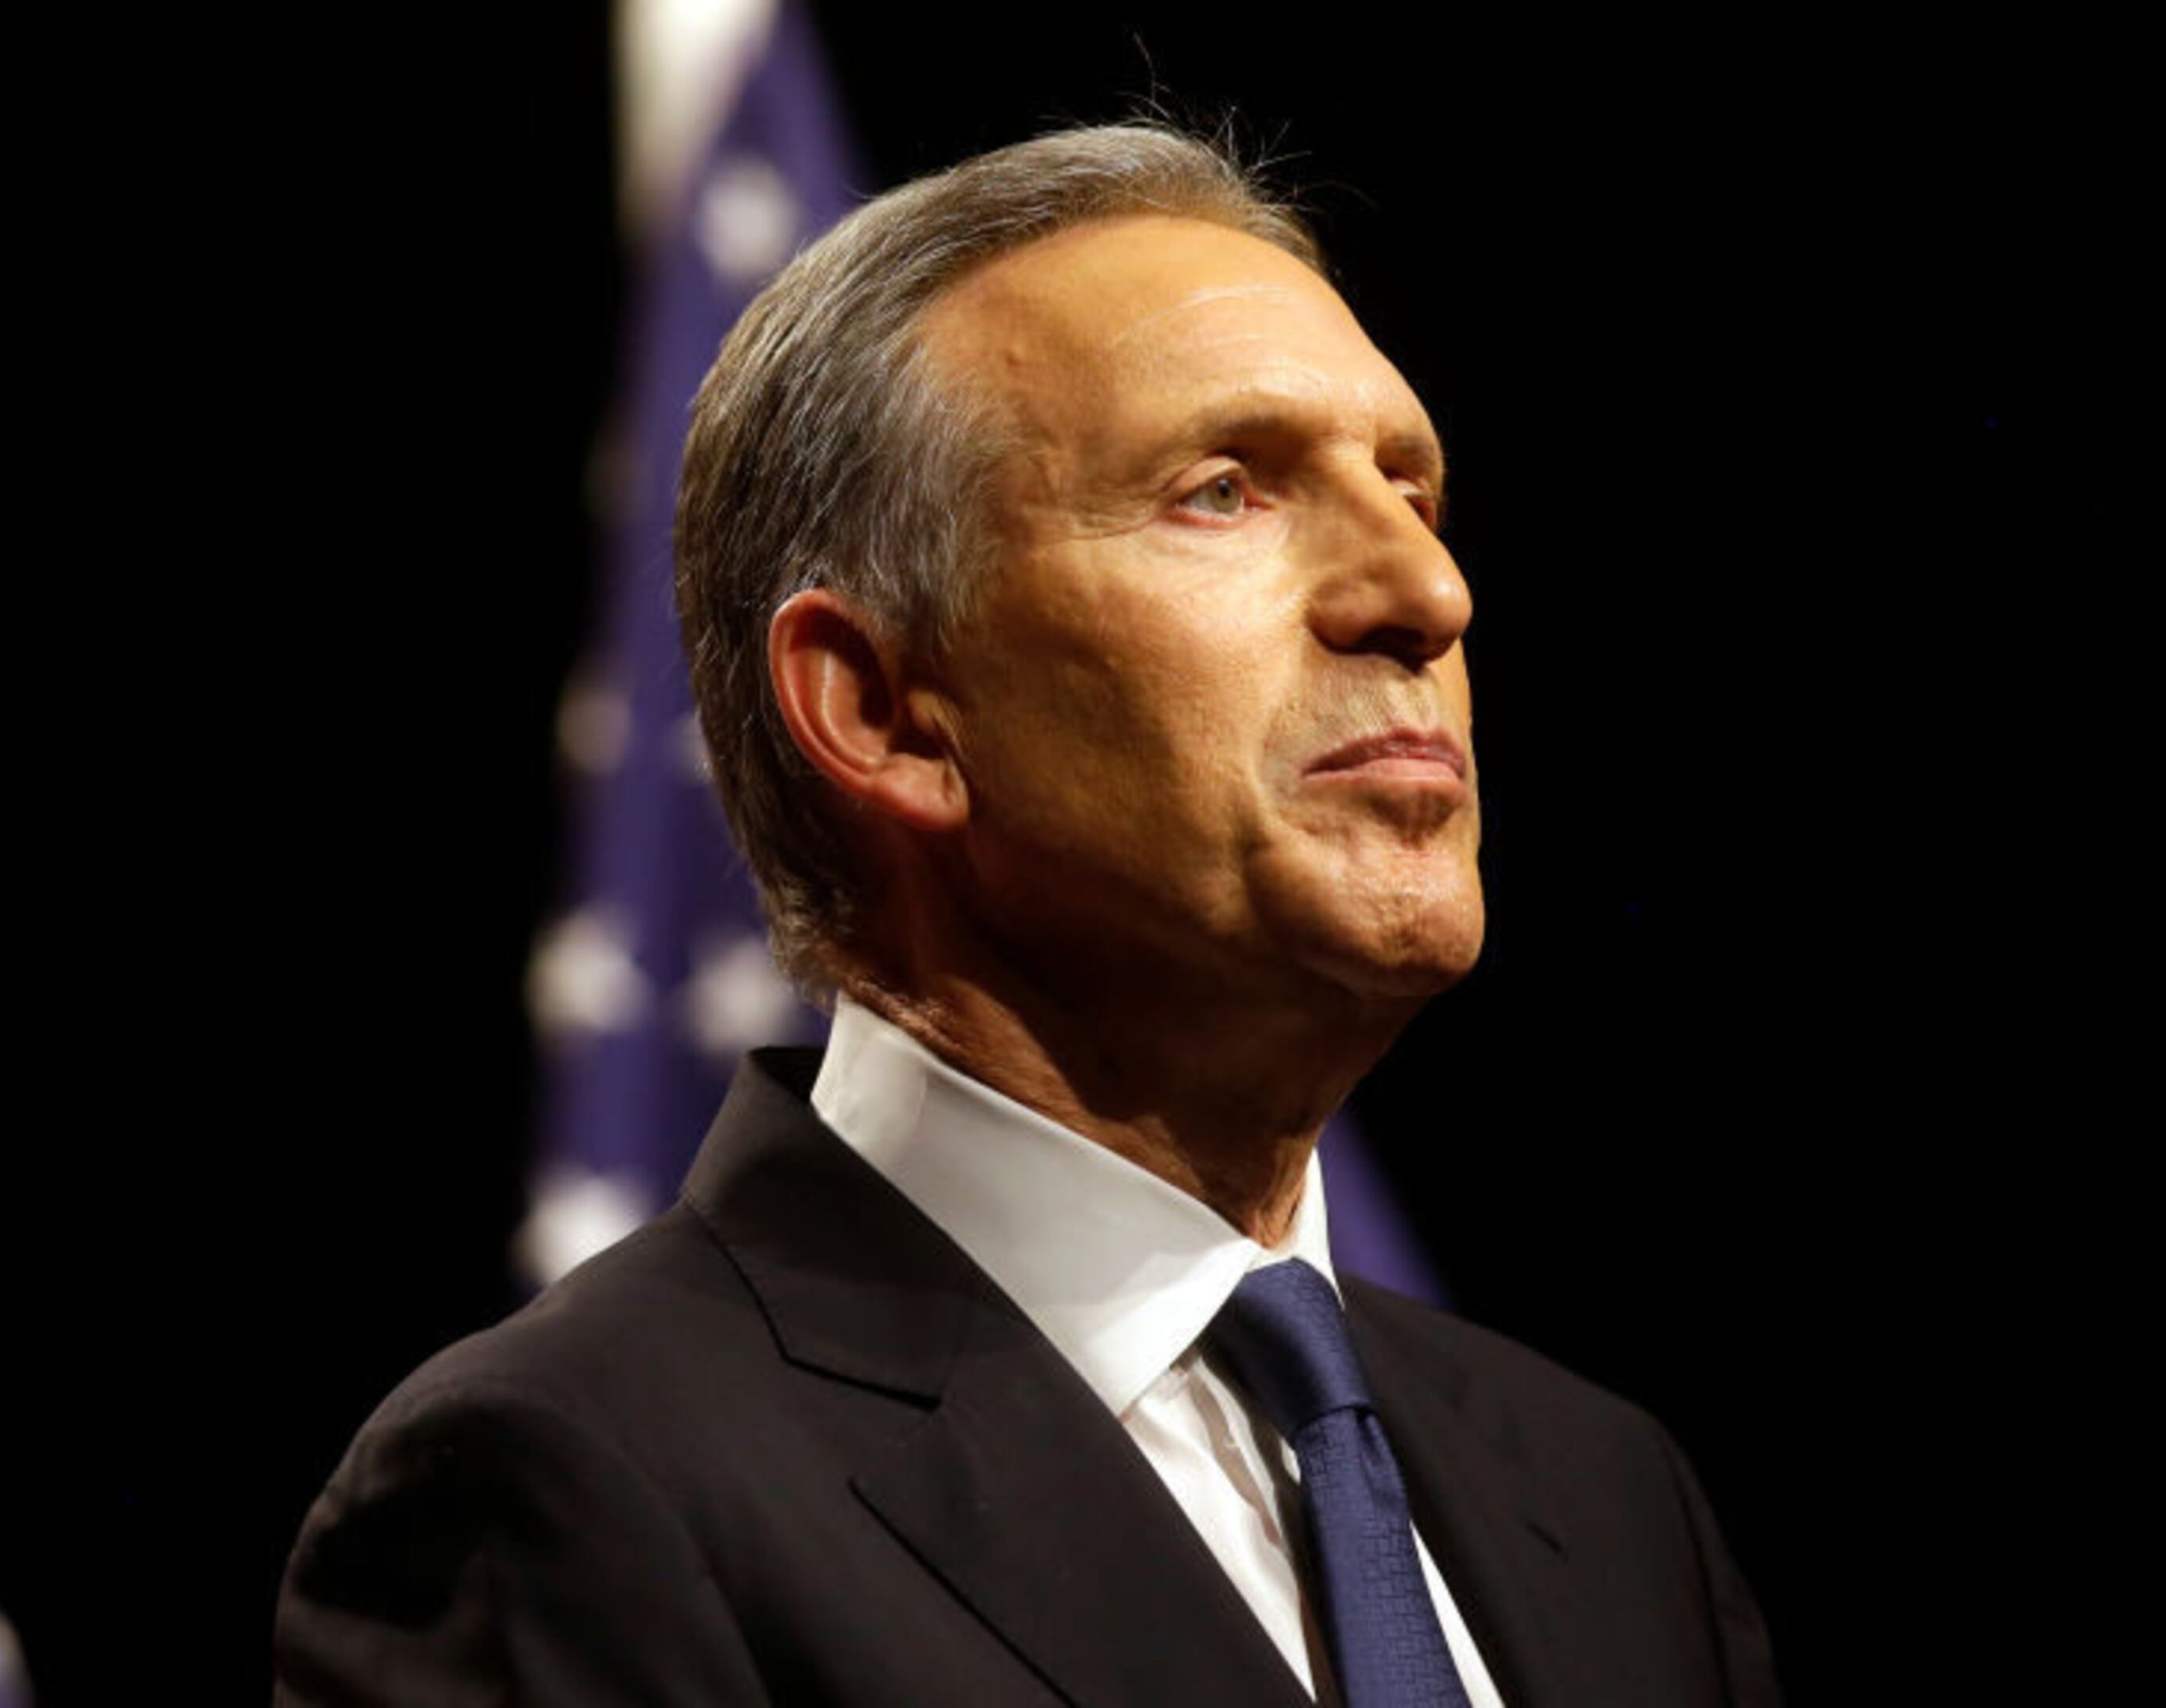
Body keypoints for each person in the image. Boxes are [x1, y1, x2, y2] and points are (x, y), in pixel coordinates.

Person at [274, 123, 1781, 1706]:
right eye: (1223, 492)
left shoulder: (1610, 1502)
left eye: (1414, 491)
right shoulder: (574, 1492)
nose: (1426, 595)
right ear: (882, 710)